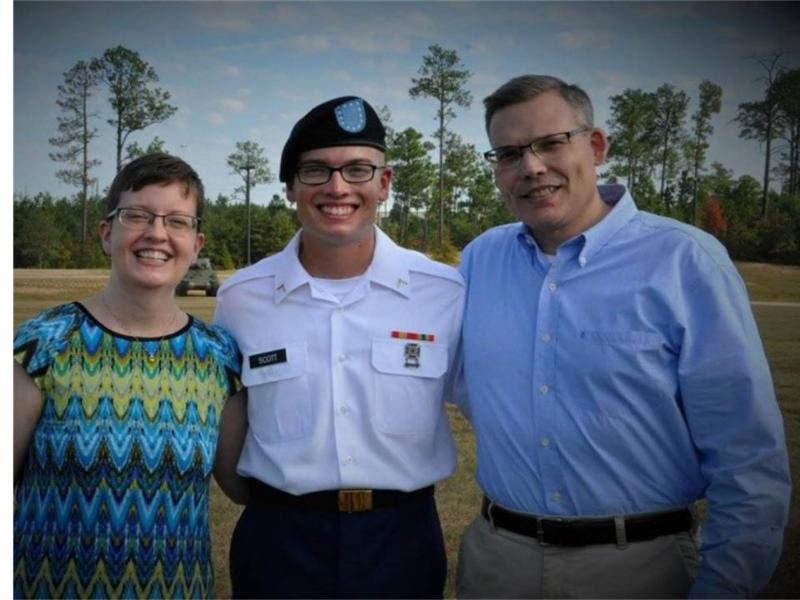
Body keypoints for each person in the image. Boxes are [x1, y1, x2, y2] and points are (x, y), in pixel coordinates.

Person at [455, 75, 791, 599]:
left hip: (640, 566)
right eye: (510, 153)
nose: (532, 167)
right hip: (499, 562)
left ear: (595, 146)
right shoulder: (481, 260)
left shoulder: (683, 261)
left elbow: (746, 458)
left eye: (550, 143)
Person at [212, 95, 464, 599]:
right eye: (315, 171)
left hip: (402, 539)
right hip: (280, 541)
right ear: (290, 188)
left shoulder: (444, 292)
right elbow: (226, 418)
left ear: (384, 183)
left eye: (357, 170)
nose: (337, 187)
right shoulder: (241, 298)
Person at [13, 153, 242, 599]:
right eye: (136, 215)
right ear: (106, 233)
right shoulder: (45, 342)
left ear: (196, 244)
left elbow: (242, 486)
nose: (156, 233)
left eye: (177, 221)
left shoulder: (218, 356)